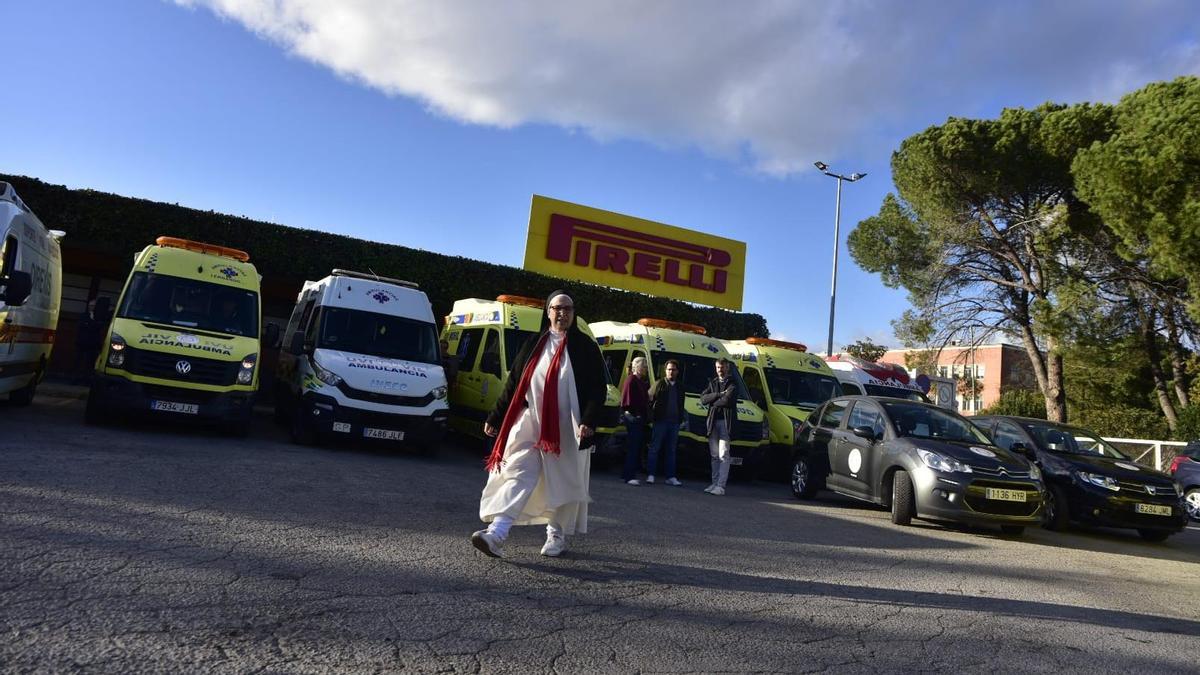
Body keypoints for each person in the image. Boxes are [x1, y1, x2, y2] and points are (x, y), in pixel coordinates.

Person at [471, 290, 608, 559]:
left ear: (573, 313)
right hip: (531, 420)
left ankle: (556, 535)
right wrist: (495, 417)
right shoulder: (534, 343)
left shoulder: (585, 347)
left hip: (569, 428)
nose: (562, 313)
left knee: (562, 482)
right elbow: (513, 384)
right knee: (517, 471)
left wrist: (589, 421)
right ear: (548, 312)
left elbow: (597, 389)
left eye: (568, 309)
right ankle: (497, 533)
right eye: (557, 308)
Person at [699, 358, 738, 496]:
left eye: (722, 367)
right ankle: (714, 483)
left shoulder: (733, 383)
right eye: (717, 367)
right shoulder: (713, 382)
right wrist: (717, 395)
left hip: (725, 423)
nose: (719, 370)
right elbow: (703, 399)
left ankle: (721, 486)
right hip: (712, 422)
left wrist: (714, 401)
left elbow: (727, 400)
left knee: (723, 454)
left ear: (727, 368)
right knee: (714, 455)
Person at [646, 359, 685, 487]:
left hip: (674, 423)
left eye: (673, 369)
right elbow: (649, 400)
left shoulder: (680, 387)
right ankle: (651, 474)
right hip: (660, 421)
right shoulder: (659, 384)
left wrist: (681, 419)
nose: (671, 372)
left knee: (671, 450)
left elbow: (681, 404)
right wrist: (651, 418)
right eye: (669, 369)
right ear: (665, 370)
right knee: (654, 448)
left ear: (677, 371)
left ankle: (671, 477)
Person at [619, 356, 650, 485]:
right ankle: (629, 476)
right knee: (633, 447)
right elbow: (627, 401)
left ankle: (626, 473)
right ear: (636, 366)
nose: (645, 369)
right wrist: (636, 414)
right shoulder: (631, 380)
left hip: (637, 417)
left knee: (634, 447)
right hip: (633, 418)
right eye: (644, 366)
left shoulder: (640, 381)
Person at [72, 298, 106, 383]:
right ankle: (75, 379)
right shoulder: (83, 315)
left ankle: (86, 380)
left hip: (93, 344)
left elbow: (98, 328)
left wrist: (91, 323)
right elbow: (81, 327)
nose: (91, 307)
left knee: (90, 363)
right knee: (78, 362)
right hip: (82, 342)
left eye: (93, 306)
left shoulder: (99, 317)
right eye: (90, 305)